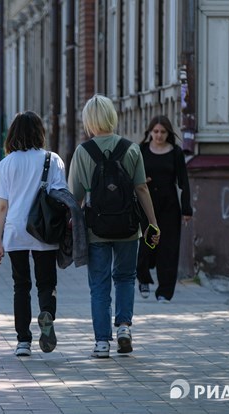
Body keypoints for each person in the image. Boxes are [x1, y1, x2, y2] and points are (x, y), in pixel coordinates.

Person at [68, 94, 159, 358]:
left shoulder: (83, 152)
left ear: (89, 120)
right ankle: (123, 328)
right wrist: (153, 223)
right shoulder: (131, 149)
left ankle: (102, 343)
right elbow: (141, 188)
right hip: (129, 226)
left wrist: (69, 225)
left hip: (96, 228)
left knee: (99, 284)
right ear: (111, 116)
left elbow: (75, 197)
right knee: (126, 277)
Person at [0, 111, 67, 357]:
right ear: (40, 133)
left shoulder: (7, 163)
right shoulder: (52, 160)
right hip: (44, 230)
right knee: (47, 282)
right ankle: (47, 314)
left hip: (15, 231)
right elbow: (60, 196)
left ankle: (23, 340)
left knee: (20, 286)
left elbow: (3, 206)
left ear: (12, 134)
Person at [136, 115, 193, 303]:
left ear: (168, 133)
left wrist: (186, 209)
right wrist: (140, 181)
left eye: (162, 132)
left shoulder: (175, 152)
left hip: (169, 206)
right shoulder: (142, 150)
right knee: (146, 245)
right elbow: (131, 174)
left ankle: (164, 291)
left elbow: (183, 182)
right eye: (155, 131)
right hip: (146, 204)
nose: (159, 135)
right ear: (150, 132)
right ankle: (143, 279)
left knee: (168, 248)